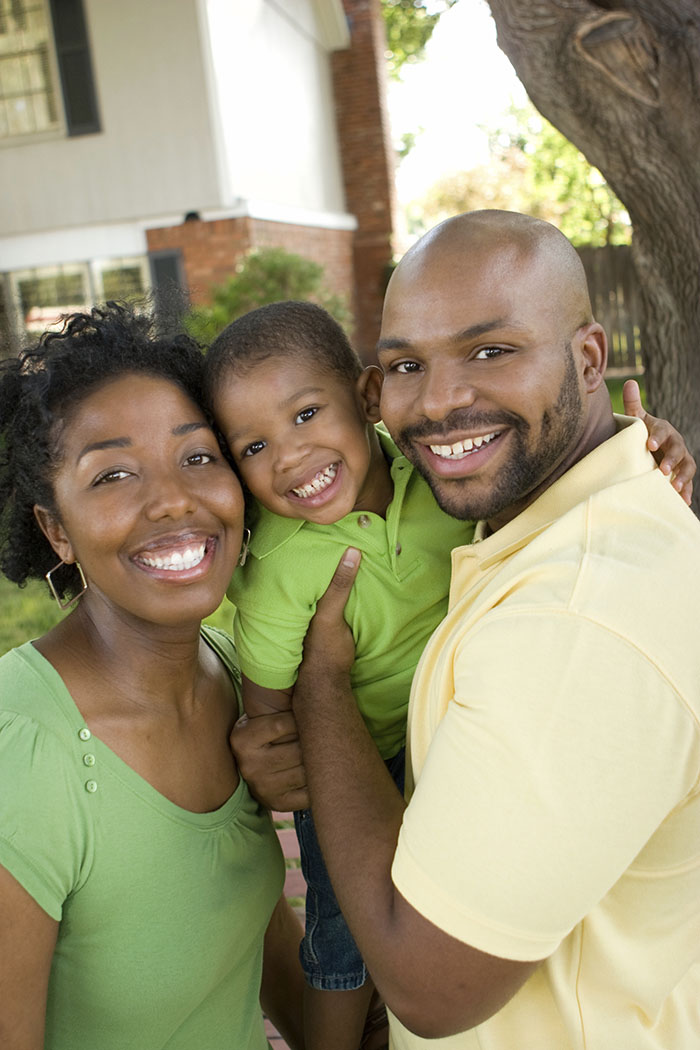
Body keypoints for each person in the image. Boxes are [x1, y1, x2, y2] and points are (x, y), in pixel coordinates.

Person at [232, 211, 700, 1049]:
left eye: (492, 351)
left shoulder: (572, 622)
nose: (441, 400)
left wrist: (323, 686)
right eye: (408, 363)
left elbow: (430, 988)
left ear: (589, 359)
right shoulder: (551, 521)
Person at [0, 304, 305, 1050]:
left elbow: (253, 949)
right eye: (112, 474)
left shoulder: (237, 683)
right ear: (56, 529)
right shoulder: (24, 754)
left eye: (198, 457)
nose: (173, 499)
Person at [204, 300, 476, 1050]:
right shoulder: (282, 565)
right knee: (343, 933)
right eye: (252, 446)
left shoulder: (439, 477)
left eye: (305, 415)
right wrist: (291, 770)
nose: (288, 457)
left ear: (365, 397)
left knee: (454, 903)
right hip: (347, 765)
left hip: (455, 738)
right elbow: (268, 701)